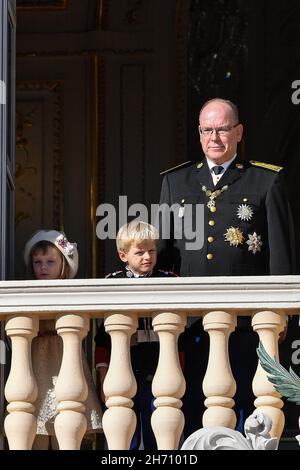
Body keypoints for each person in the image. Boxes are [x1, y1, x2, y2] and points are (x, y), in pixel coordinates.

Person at [157, 98, 296, 435]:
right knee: (191, 407)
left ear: (238, 132)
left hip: (249, 322)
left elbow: (280, 255)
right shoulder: (176, 182)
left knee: (253, 407)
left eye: (222, 129)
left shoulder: (265, 182)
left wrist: (281, 314)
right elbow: (163, 256)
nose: (214, 137)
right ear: (199, 133)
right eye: (207, 130)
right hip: (192, 324)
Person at [94, 221, 184, 450]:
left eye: (151, 251)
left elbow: (179, 338)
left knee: (161, 433)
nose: (147, 257)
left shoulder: (168, 280)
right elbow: (103, 338)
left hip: (160, 370)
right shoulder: (112, 283)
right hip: (124, 371)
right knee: (124, 436)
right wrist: (104, 377)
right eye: (139, 252)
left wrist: (180, 372)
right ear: (123, 255)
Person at [23, 229, 103, 450]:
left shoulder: (70, 291)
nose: (43, 267)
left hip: (63, 358)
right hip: (37, 361)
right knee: (35, 417)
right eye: (37, 262)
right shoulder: (27, 292)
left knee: (66, 418)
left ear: (63, 265)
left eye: (50, 261)